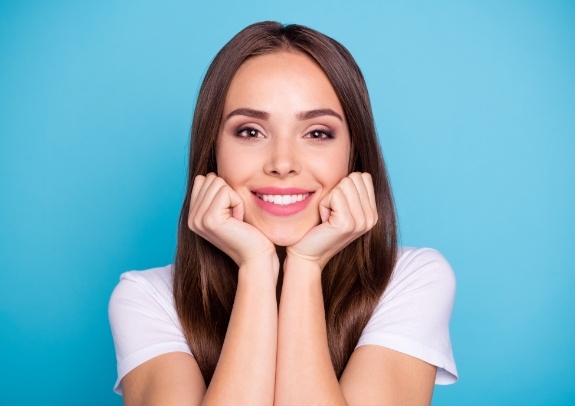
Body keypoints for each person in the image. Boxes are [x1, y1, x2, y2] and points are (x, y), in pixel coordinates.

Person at [109, 21, 458, 405]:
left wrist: (305, 267)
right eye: (251, 132)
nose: (283, 163)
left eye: (317, 133)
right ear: (213, 150)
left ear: (353, 154)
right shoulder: (148, 299)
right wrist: (256, 269)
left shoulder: (412, 280)